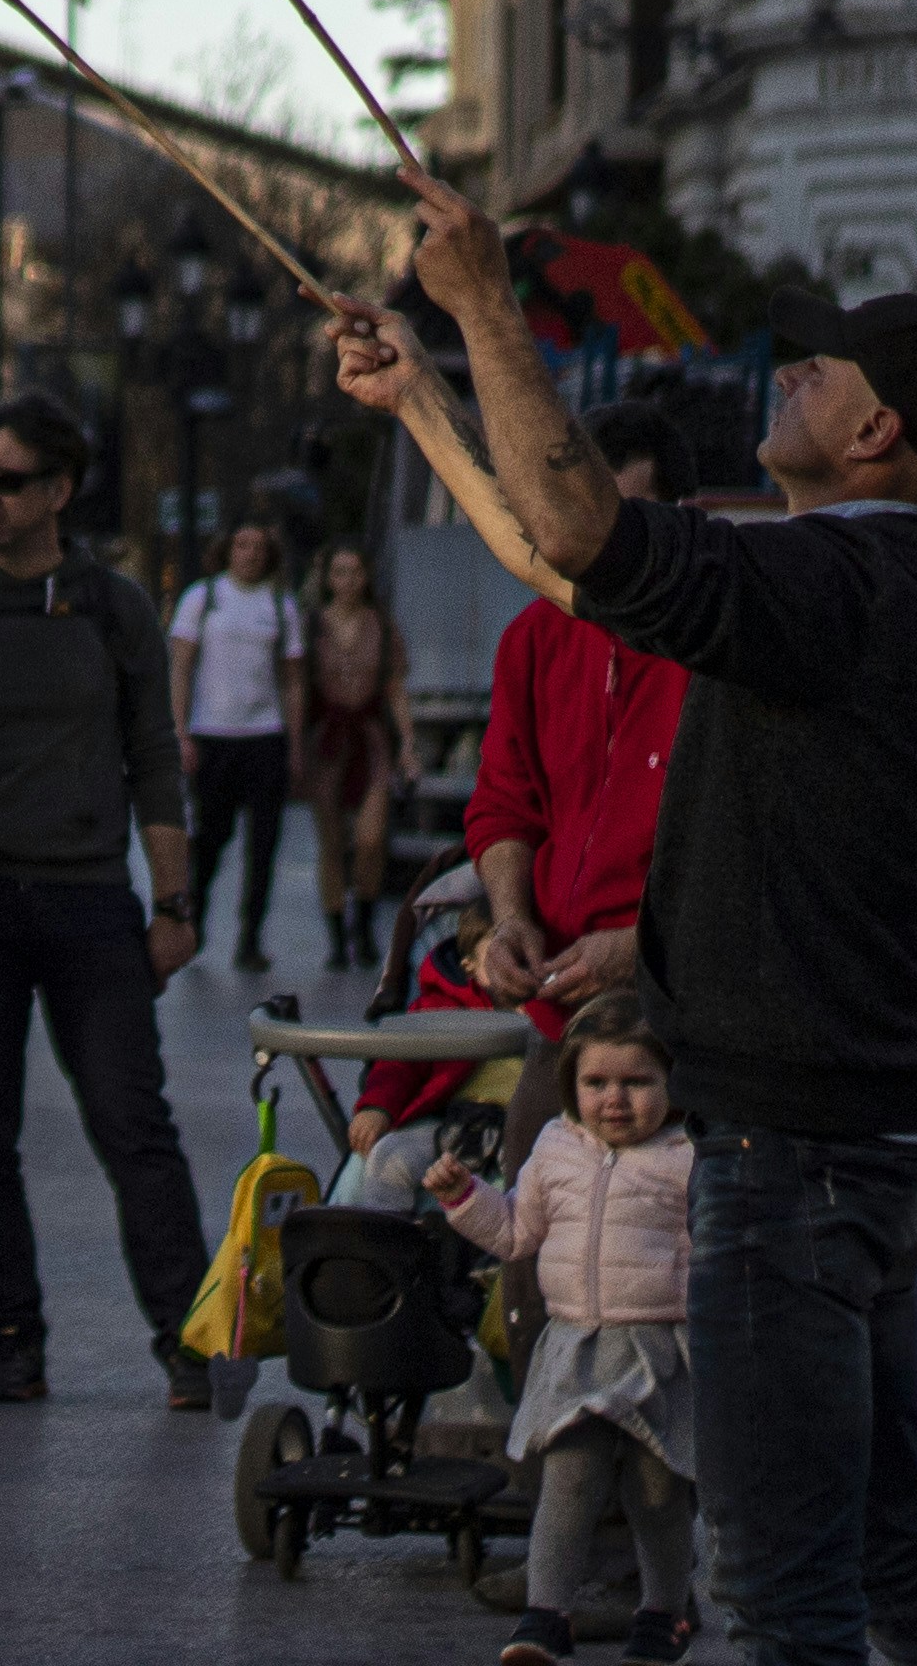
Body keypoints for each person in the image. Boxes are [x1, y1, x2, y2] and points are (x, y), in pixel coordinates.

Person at [364, 175, 917, 1666]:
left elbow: (582, 528)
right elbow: (560, 561)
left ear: (876, 431)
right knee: (884, 1540)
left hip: (788, 1156)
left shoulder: (842, 580)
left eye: (821, 364)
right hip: (854, 1136)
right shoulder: (881, 579)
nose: (785, 371)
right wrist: (428, 398)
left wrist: (485, 303)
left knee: (786, 1585)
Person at [0, 395, 215, 1412]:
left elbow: (153, 755)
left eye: (9, 480)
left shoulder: (112, 606)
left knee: (133, 1122)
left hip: (88, 903)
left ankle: (188, 1338)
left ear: (60, 491)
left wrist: (174, 903)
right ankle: (10, 1340)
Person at [335, 398, 695, 1249]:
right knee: (533, 1248)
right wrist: (509, 919)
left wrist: (638, 946)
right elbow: (504, 805)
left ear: (680, 518)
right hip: (562, 1022)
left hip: (685, 1020)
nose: (595, 543)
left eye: (621, 519)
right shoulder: (536, 637)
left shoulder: (710, 648)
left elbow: (749, 850)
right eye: (576, 516)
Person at [433, 991, 703, 1666]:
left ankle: (665, 1611)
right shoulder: (556, 1148)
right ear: (571, 1084)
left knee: (658, 1494)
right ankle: (546, 1616)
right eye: (596, 1082)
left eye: (637, 1082)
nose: (615, 1099)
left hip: (660, 1351)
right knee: (568, 1481)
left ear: (672, 1082)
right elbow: (516, 1232)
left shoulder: (688, 1157)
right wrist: (465, 1200)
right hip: (576, 1344)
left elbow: (716, 1252)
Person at [166, 517, 303, 972]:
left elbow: (293, 681)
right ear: (227, 550)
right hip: (213, 735)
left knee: (263, 844)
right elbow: (180, 668)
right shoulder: (202, 598)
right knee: (210, 839)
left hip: (265, 735)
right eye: (242, 544)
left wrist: (295, 744)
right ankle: (196, 923)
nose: (250, 554)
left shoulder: (280, 605)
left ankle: (251, 939)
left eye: (259, 546)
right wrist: (180, 732)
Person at [297, 540, 411, 972]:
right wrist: (295, 743)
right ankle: (335, 935)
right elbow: (296, 686)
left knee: (370, 839)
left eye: (355, 572)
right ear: (328, 578)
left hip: (371, 738)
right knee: (330, 842)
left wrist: (408, 744)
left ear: (366, 577)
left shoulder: (381, 625)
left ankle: (363, 921)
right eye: (339, 572)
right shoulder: (312, 626)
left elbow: (395, 688)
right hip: (326, 741)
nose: (347, 581)